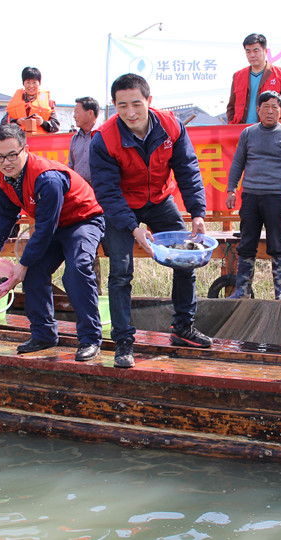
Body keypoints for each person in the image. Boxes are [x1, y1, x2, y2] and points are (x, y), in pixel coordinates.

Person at [90, 73, 211, 369]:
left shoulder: (171, 126)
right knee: (120, 271)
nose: (130, 113)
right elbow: (107, 192)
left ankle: (182, 327)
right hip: (122, 207)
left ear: (149, 101)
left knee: (187, 258)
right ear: (114, 106)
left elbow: (187, 169)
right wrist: (133, 228)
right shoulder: (103, 139)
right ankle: (123, 340)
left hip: (159, 201)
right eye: (122, 106)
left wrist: (197, 212)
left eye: (136, 104)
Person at [0, 124, 105, 360]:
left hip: (82, 221)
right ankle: (43, 334)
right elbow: (6, 213)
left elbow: (45, 227)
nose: (5, 162)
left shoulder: (47, 178)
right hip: (52, 226)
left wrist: (24, 262)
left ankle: (90, 339)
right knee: (33, 273)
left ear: (25, 150)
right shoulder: (3, 176)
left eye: (11, 155)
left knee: (77, 271)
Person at [226, 90, 281, 300]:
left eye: (275, 107)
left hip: (276, 198)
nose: (270, 111)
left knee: (278, 245)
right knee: (247, 244)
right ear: (258, 110)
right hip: (250, 196)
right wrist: (231, 189)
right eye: (265, 107)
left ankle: (280, 293)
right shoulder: (248, 133)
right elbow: (238, 163)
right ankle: (242, 291)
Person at [226, 33, 281, 124]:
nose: (252, 55)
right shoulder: (238, 76)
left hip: (269, 129)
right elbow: (231, 107)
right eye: (248, 51)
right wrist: (232, 123)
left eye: (256, 51)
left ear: (265, 51)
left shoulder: (280, 73)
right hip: (242, 130)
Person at [2, 67, 60, 134]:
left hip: (39, 141)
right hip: (19, 141)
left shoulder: (48, 103)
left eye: (34, 82)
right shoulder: (15, 103)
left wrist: (42, 122)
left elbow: (56, 126)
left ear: (39, 83)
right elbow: (3, 124)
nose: (31, 86)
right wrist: (17, 122)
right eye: (28, 82)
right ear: (23, 83)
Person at [69, 97, 100, 183]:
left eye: (77, 112)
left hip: (100, 189)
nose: (74, 116)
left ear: (90, 113)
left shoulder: (104, 135)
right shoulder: (75, 139)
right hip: (80, 189)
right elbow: (71, 166)